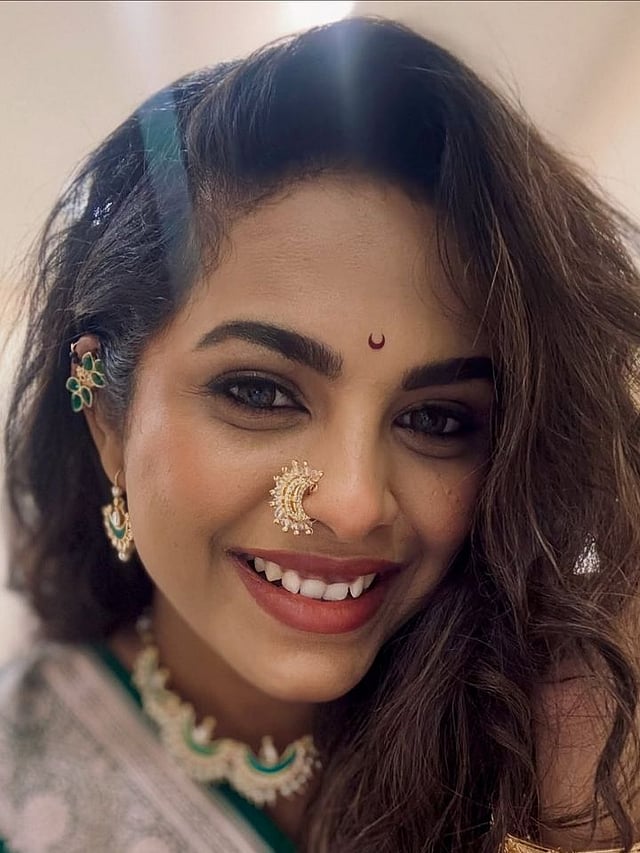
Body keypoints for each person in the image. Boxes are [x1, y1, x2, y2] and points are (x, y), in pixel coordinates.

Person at [1, 14, 640, 853]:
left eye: (436, 418)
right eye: (260, 392)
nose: (351, 502)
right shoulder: (19, 773)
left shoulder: (560, 747)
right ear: (107, 417)